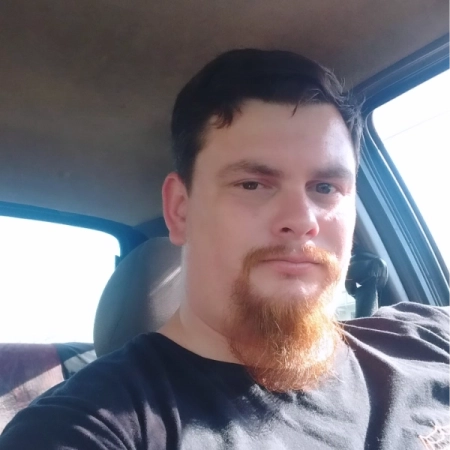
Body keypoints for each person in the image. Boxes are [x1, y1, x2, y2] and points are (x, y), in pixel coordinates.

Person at [1, 48, 450, 450]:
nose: (302, 218)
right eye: (252, 184)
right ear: (180, 211)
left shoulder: (429, 337)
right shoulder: (89, 427)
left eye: (325, 187)